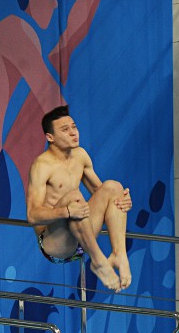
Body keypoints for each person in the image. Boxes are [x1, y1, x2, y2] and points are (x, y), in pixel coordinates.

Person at [0, 0, 117, 217]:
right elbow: (52, 98)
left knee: (67, 45)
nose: (56, 2)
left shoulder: (23, 34)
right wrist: (68, 138)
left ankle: (96, 225)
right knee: (63, 59)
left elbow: (79, 22)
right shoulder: (17, 31)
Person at [26, 105, 132, 292]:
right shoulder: (42, 166)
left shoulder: (81, 155)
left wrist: (123, 200)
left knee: (114, 187)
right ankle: (98, 260)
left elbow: (102, 193)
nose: (73, 133)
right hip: (54, 243)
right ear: (50, 137)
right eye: (65, 130)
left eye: (74, 127)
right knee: (74, 197)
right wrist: (65, 211)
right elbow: (33, 215)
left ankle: (119, 254)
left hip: (81, 237)